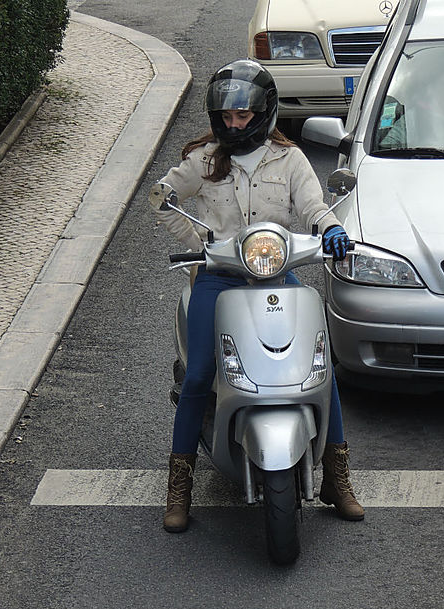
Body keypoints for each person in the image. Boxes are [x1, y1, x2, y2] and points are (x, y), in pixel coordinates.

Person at [152, 59, 364, 533]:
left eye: (243, 116)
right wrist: (199, 247)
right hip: (220, 278)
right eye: (226, 117)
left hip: (277, 274)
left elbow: (312, 206)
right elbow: (161, 196)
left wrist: (330, 230)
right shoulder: (204, 159)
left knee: (319, 366)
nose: (233, 124)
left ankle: (336, 477)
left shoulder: (289, 159)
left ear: (264, 112)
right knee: (201, 371)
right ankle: (179, 485)